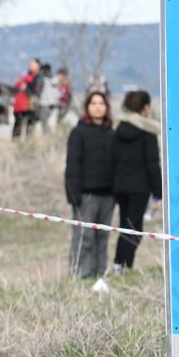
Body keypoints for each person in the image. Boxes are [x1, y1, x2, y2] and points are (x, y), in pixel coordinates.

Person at [65, 89, 117, 287]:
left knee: (102, 236)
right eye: (93, 103)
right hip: (86, 194)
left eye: (101, 103)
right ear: (87, 107)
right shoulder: (79, 133)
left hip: (108, 195)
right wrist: (73, 194)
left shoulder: (112, 134)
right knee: (84, 236)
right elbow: (72, 165)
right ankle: (79, 273)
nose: (98, 107)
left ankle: (99, 273)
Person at [111, 90, 162, 272]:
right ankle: (126, 265)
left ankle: (118, 263)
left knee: (125, 224)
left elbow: (112, 159)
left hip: (119, 186)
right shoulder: (147, 132)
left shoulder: (119, 130)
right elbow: (152, 164)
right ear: (145, 108)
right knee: (134, 228)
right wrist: (158, 193)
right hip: (139, 187)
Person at [12, 58, 42, 138]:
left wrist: (27, 87)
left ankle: (28, 145)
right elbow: (16, 86)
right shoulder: (25, 76)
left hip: (30, 105)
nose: (30, 66)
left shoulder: (39, 77)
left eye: (33, 64)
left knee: (30, 127)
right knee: (18, 127)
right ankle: (16, 144)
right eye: (30, 64)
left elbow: (37, 90)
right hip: (19, 105)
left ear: (38, 66)